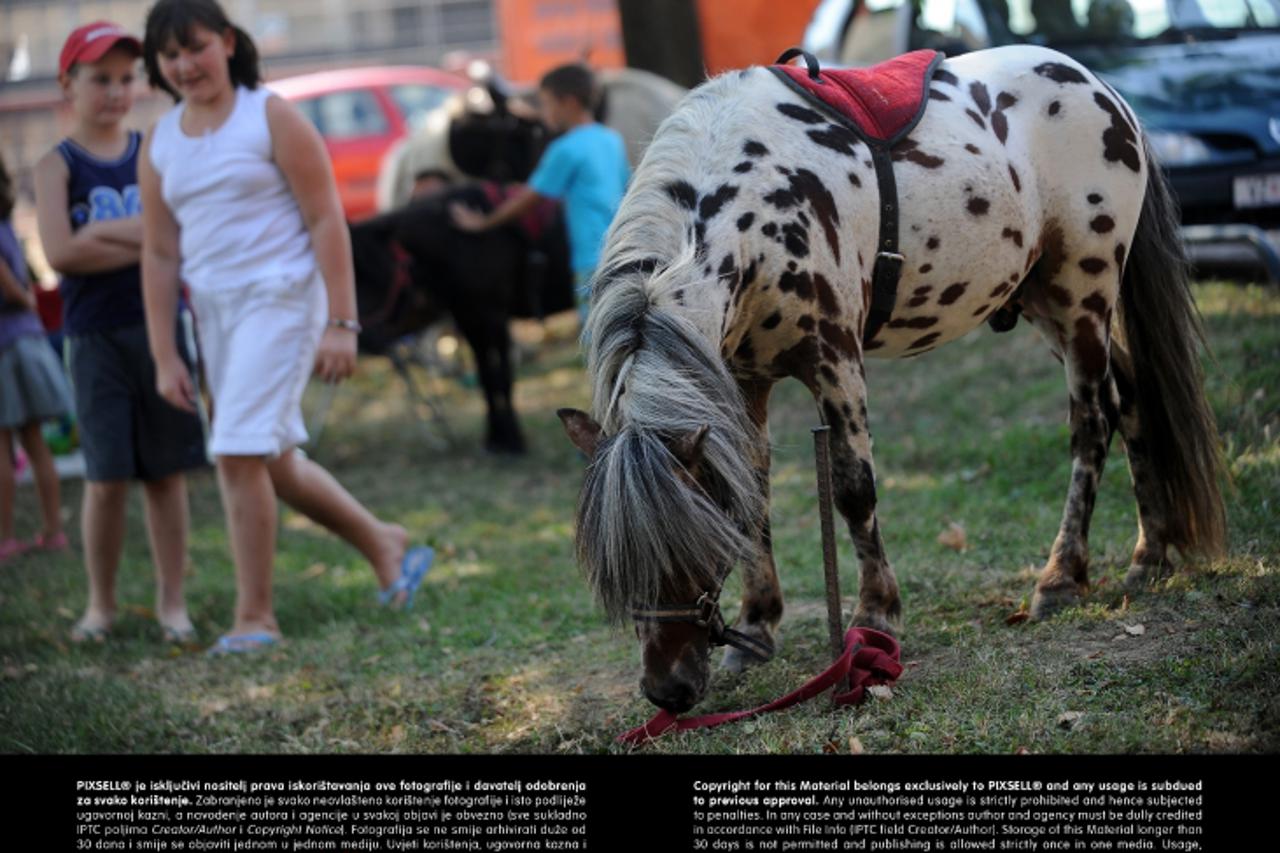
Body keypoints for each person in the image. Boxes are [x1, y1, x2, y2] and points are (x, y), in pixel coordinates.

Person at [139, 0, 433, 655]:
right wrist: (165, 354)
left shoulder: (270, 115)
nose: (185, 65)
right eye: (170, 55)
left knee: (236, 452)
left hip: (281, 301)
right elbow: (158, 254)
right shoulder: (160, 140)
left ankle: (256, 618)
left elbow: (327, 218)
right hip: (214, 313)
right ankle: (383, 543)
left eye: (196, 47)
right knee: (271, 459)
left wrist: (341, 322)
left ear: (228, 42)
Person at [33, 21, 207, 643]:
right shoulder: (55, 166)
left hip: (160, 331)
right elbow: (61, 253)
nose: (114, 92)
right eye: (99, 79)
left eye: (125, 79)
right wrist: (147, 239)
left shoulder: (152, 151)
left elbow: (179, 237)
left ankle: (172, 604)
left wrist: (102, 234)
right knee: (105, 480)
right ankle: (100, 606)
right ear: (68, 85)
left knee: (165, 475)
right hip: (94, 339)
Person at [450, 63, 630, 324]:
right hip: (622, 252)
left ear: (568, 102)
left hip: (591, 259)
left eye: (546, 103)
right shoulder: (611, 138)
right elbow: (625, 189)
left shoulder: (565, 148)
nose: (543, 112)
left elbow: (529, 199)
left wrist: (484, 223)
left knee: (596, 333)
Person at [0, 154, 73, 563]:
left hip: (6, 345)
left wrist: (24, 299)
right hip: (26, 340)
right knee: (34, 441)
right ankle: (52, 530)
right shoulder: (6, 225)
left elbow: (8, 282)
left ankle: (6, 537)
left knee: (4, 446)